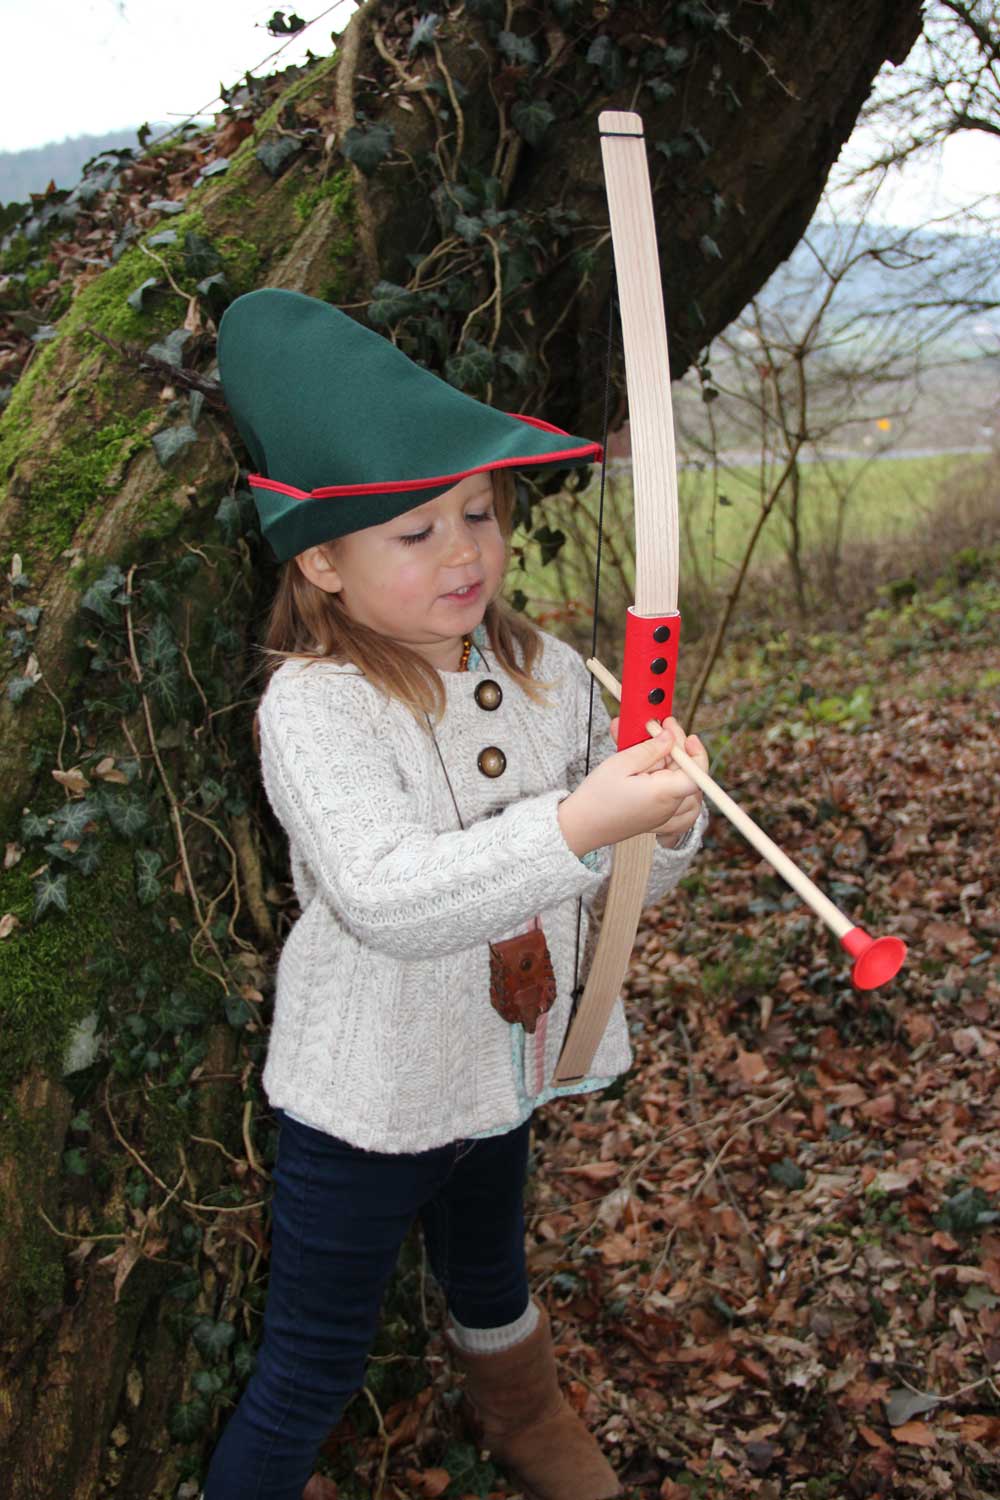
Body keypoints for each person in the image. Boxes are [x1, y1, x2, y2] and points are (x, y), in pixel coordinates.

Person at [204, 288, 709, 1500]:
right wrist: (583, 819)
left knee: (491, 1272)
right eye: (415, 533)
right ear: (320, 562)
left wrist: (666, 820)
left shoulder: (544, 668)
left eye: (476, 514)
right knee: (312, 1364)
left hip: (503, 1065)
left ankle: (524, 1418)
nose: (466, 551)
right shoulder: (317, 706)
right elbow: (386, 894)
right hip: (368, 1102)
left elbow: (612, 875)